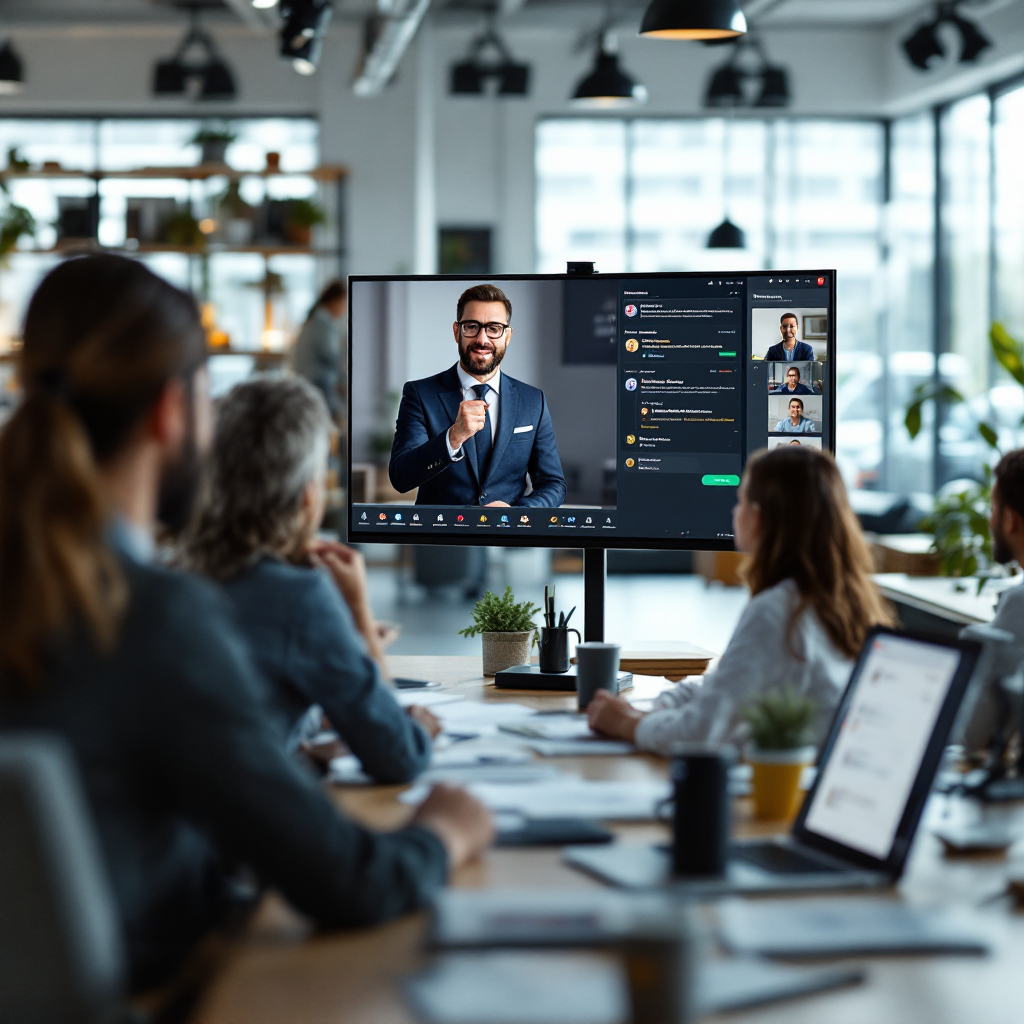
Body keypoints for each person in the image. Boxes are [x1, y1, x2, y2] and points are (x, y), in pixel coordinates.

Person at [0, 255, 492, 994]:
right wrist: (443, 833)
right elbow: (345, 882)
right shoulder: (154, 619)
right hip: (170, 992)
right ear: (170, 412)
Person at [181, 375, 437, 783]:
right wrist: (359, 617)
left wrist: (306, 754)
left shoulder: (173, 576)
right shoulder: (298, 597)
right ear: (307, 494)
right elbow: (399, 752)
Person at [587, 446, 894, 753]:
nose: (735, 511)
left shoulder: (777, 611)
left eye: (740, 501)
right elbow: (722, 684)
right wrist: (654, 708)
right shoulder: (845, 601)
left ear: (756, 518)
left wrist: (626, 724)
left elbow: (701, 734)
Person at [389, 283, 567, 508]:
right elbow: (400, 477)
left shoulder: (533, 401)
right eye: (472, 326)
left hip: (507, 541)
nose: (483, 339)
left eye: (494, 328)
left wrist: (518, 515)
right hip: (441, 539)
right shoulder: (420, 394)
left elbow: (553, 484)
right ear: (457, 332)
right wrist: (454, 436)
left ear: (508, 336)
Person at [960, 449, 1024, 749]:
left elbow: (974, 734)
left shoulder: (1019, 601)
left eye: (992, 509)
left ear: (1010, 520)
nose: (990, 521)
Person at [291, 279, 346, 418]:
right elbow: (332, 357)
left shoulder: (316, 321)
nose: (345, 309)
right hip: (317, 390)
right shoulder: (322, 325)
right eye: (344, 302)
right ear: (335, 301)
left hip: (309, 388)